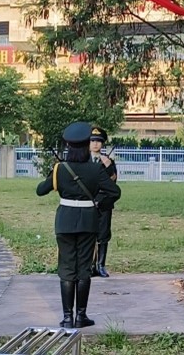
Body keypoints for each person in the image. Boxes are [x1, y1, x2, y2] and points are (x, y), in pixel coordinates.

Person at [36, 121, 121, 329]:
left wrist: (54, 174)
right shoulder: (95, 169)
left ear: (68, 146)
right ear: (86, 145)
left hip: (65, 221)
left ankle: (67, 318)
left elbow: (40, 190)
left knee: (67, 268)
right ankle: (81, 316)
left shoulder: (60, 169)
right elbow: (114, 191)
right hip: (88, 222)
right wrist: (99, 204)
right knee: (83, 268)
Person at [90, 126, 118, 278]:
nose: (95, 144)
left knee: (103, 234)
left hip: (104, 203)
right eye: (92, 141)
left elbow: (113, 182)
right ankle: (89, 265)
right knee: (88, 234)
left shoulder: (108, 161)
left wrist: (108, 166)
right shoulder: (84, 161)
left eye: (98, 141)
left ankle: (101, 265)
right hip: (88, 202)